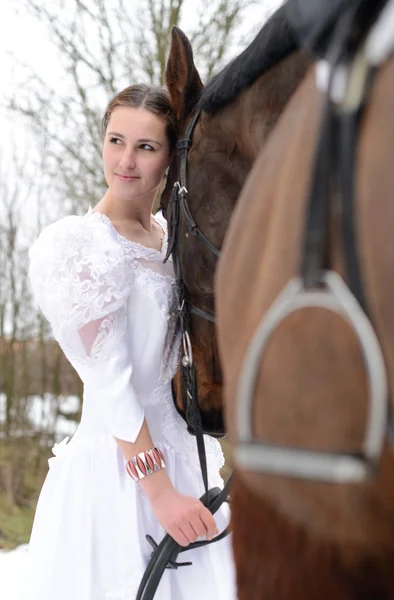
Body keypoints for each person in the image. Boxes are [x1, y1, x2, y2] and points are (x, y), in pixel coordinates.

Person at [25, 84, 236, 600]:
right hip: (118, 478)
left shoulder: (173, 239)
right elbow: (110, 385)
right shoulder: (79, 246)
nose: (126, 160)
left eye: (145, 147)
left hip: (188, 462)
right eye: (116, 140)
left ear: (170, 156)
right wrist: (160, 493)